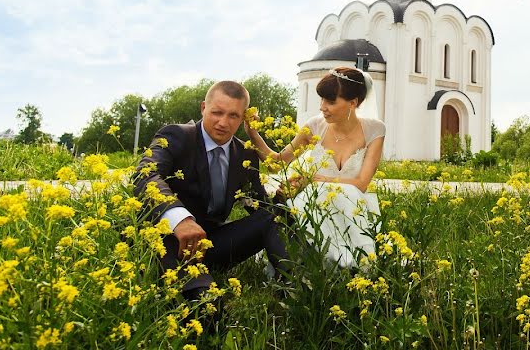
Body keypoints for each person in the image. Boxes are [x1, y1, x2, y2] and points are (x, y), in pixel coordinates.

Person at [133, 80, 292, 303]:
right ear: (203, 108)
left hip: (211, 245)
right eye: (217, 112)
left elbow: (259, 207)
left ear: (244, 118)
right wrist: (180, 219)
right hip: (169, 243)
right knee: (208, 306)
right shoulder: (176, 135)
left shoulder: (245, 154)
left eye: (233, 116)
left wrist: (283, 196)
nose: (223, 123)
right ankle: (197, 288)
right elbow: (144, 175)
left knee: (276, 216)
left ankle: (292, 287)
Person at [246, 67, 385, 269]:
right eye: (321, 100)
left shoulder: (375, 129)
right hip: (314, 204)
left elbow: (361, 184)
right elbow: (277, 163)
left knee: (345, 192)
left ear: (353, 103)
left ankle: (352, 263)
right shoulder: (315, 126)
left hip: (352, 205)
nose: (322, 107)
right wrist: (253, 134)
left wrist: (312, 179)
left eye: (330, 101)